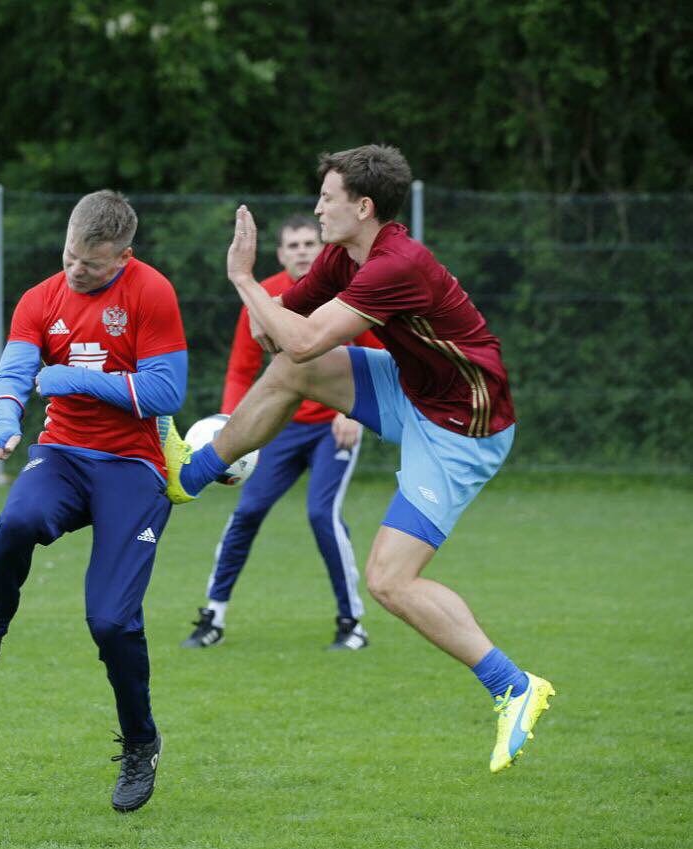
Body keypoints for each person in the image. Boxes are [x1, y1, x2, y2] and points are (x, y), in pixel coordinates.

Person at [158, 145, 556, 773]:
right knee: (292, 370)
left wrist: (242, 278)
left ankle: (513, 686)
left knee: (389, 581)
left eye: (327, 197)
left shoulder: (398, 264)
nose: (316, 207)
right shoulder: (346, 256)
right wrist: (263, 306)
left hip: (462, 431)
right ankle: (190, 476)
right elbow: (280, 333)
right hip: (414, 390)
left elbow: (307, 335)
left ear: (363, 206)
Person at [0, 190, 187, 812]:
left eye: (92, 264)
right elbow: (15, 370)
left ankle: (140, 743)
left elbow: (165, 389)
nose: (77, 271)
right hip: (64, 453)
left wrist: (74, 378)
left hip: (133, 467)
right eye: (71, 256)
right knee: (17, 520)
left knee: (110, 621)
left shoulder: (152, 293)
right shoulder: (41, 298)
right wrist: (2, 417)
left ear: (124, 255)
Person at [181, 214, 382, 651]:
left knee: (321, 513)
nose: (302, 251)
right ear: (280, 253)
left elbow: (377, 355)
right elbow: (240, 370)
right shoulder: (264, 296)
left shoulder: (346, 288)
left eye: (310, 242)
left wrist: (355, 412)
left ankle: (352, 624)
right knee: (247, 512)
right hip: (280, 427)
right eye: (292, 245)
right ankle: (212, 616)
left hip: (334, 425)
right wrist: (231, 428)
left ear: (322, 246)